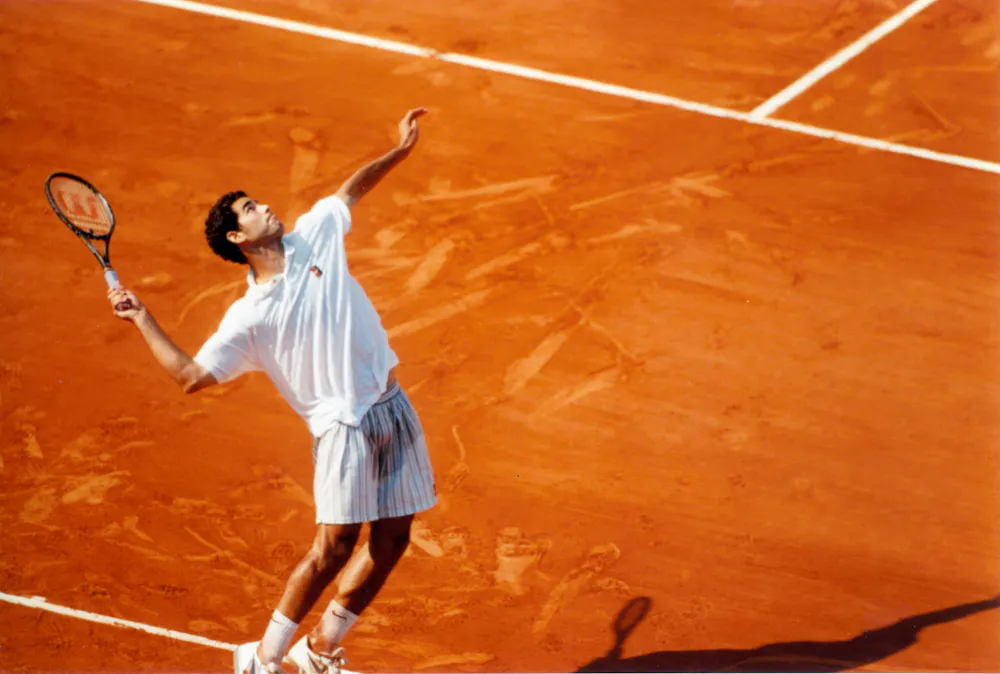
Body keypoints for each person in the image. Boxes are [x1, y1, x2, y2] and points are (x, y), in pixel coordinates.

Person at [107, 109, 437, 674]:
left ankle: (322, 650)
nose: (265, 207)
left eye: (258, 201)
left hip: (391, 405)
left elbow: (349, 190)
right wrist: (142, 318)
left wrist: (400, 150)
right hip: (342, 427)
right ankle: (262, 660)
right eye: (251, 209)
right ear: (238, 238)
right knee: (331, 549)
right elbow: (190, 376)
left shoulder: (315, 235)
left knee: (393, 541)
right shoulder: (248, 318)